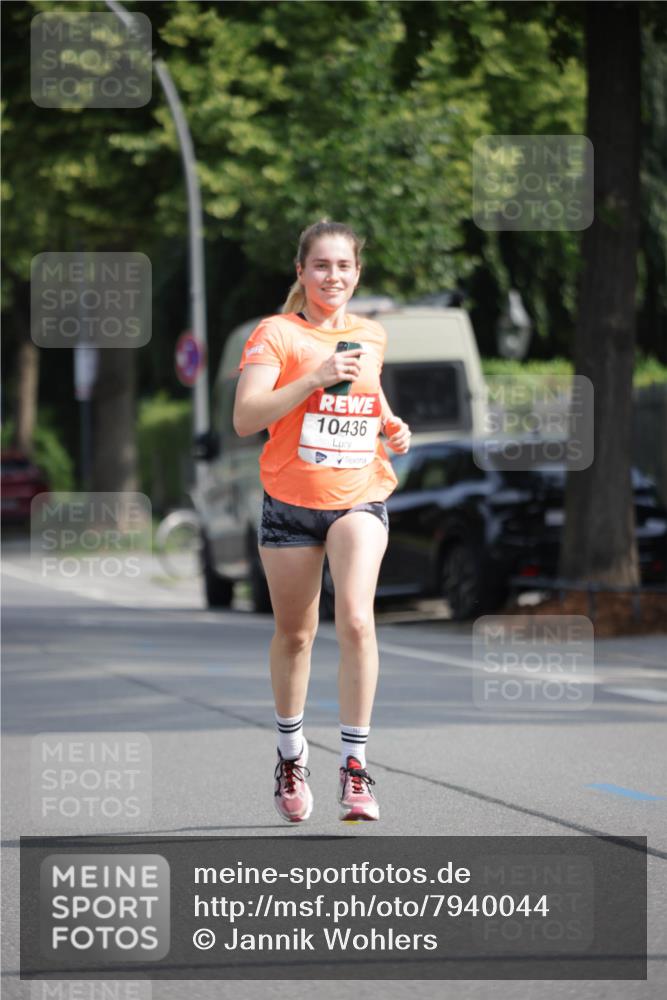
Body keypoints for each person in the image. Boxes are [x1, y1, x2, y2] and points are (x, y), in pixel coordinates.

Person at [233, 220, 411, 822]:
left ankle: (355, 769)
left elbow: (369, 392)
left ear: (357, 273)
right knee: (297, 635)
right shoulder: (275, 335)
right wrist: (312, 376)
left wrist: (391, 424)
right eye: (321, 266)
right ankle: (291, 754)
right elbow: (246, 417)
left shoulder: (372, 335)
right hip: (289, 503)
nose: (333, 277)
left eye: (344, 266)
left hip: (360, 493)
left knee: (357, 619)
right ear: (301, 271)